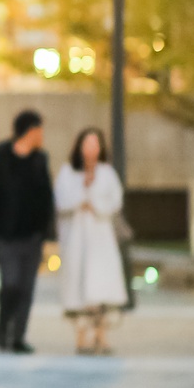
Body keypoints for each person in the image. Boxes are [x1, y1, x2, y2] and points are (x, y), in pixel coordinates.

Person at [0, 109, 55, 354]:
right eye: (38, 130)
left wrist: (47, 232)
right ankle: (3, 328)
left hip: (32, 236)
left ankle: (18, 336)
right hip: (5, 235)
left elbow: (46, 197)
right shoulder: (3, 154)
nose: (41, 135)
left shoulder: (41, 159)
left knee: (27, 287)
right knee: (11, 283)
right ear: (28, 131)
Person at [56, 127, 128, 354]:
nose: (91, 149)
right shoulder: (68, 172)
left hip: (101, 237)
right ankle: (81, 336)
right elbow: (61, 200)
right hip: (76, 238)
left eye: (95, 144)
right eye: (87, 144)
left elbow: (115, 201)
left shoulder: (107, 173)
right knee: (78, 284)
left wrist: (95, 203)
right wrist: (81, 195)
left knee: (101, 285)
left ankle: (101, 336)